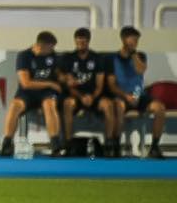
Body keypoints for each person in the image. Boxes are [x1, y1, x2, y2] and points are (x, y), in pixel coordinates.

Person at [0, 31, 64, 157]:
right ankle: (7, 143)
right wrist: (50, 84)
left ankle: (56, 145)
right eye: (51, 47)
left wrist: (63, 78)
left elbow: (59, 73)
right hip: (27, 93)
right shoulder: (24, 56)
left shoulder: (53, 56)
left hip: (46, 94)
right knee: (14, 106)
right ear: (42, 45)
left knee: (49, 105)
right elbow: (26, 83)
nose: (52, 50)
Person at [106, 25, 168, 159]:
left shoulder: (140, 56)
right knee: (118, 107)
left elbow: (141, 70)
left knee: (160, 108)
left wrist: (133, 54)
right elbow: (111, 85)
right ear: (123, 39)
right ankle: (115, 145)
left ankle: (155, 147)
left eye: (136, 40)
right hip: (122, 96)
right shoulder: (112, 58)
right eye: (131, 40)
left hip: (139, 95)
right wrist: (125, 96)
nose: (134, 43)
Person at [60, 28, 115, 155]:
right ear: (75, 41)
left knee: (108, 105)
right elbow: (69, 85)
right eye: (78, 42)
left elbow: (100, 85)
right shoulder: (68, 58)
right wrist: (81, 97)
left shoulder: (97, 58)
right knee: (67, 104)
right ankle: (68, 144)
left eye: (83, 42)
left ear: (88, 42)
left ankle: (108, 144)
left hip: (94, 96)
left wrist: (92, 97)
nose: (81, 45)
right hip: (76, 95)